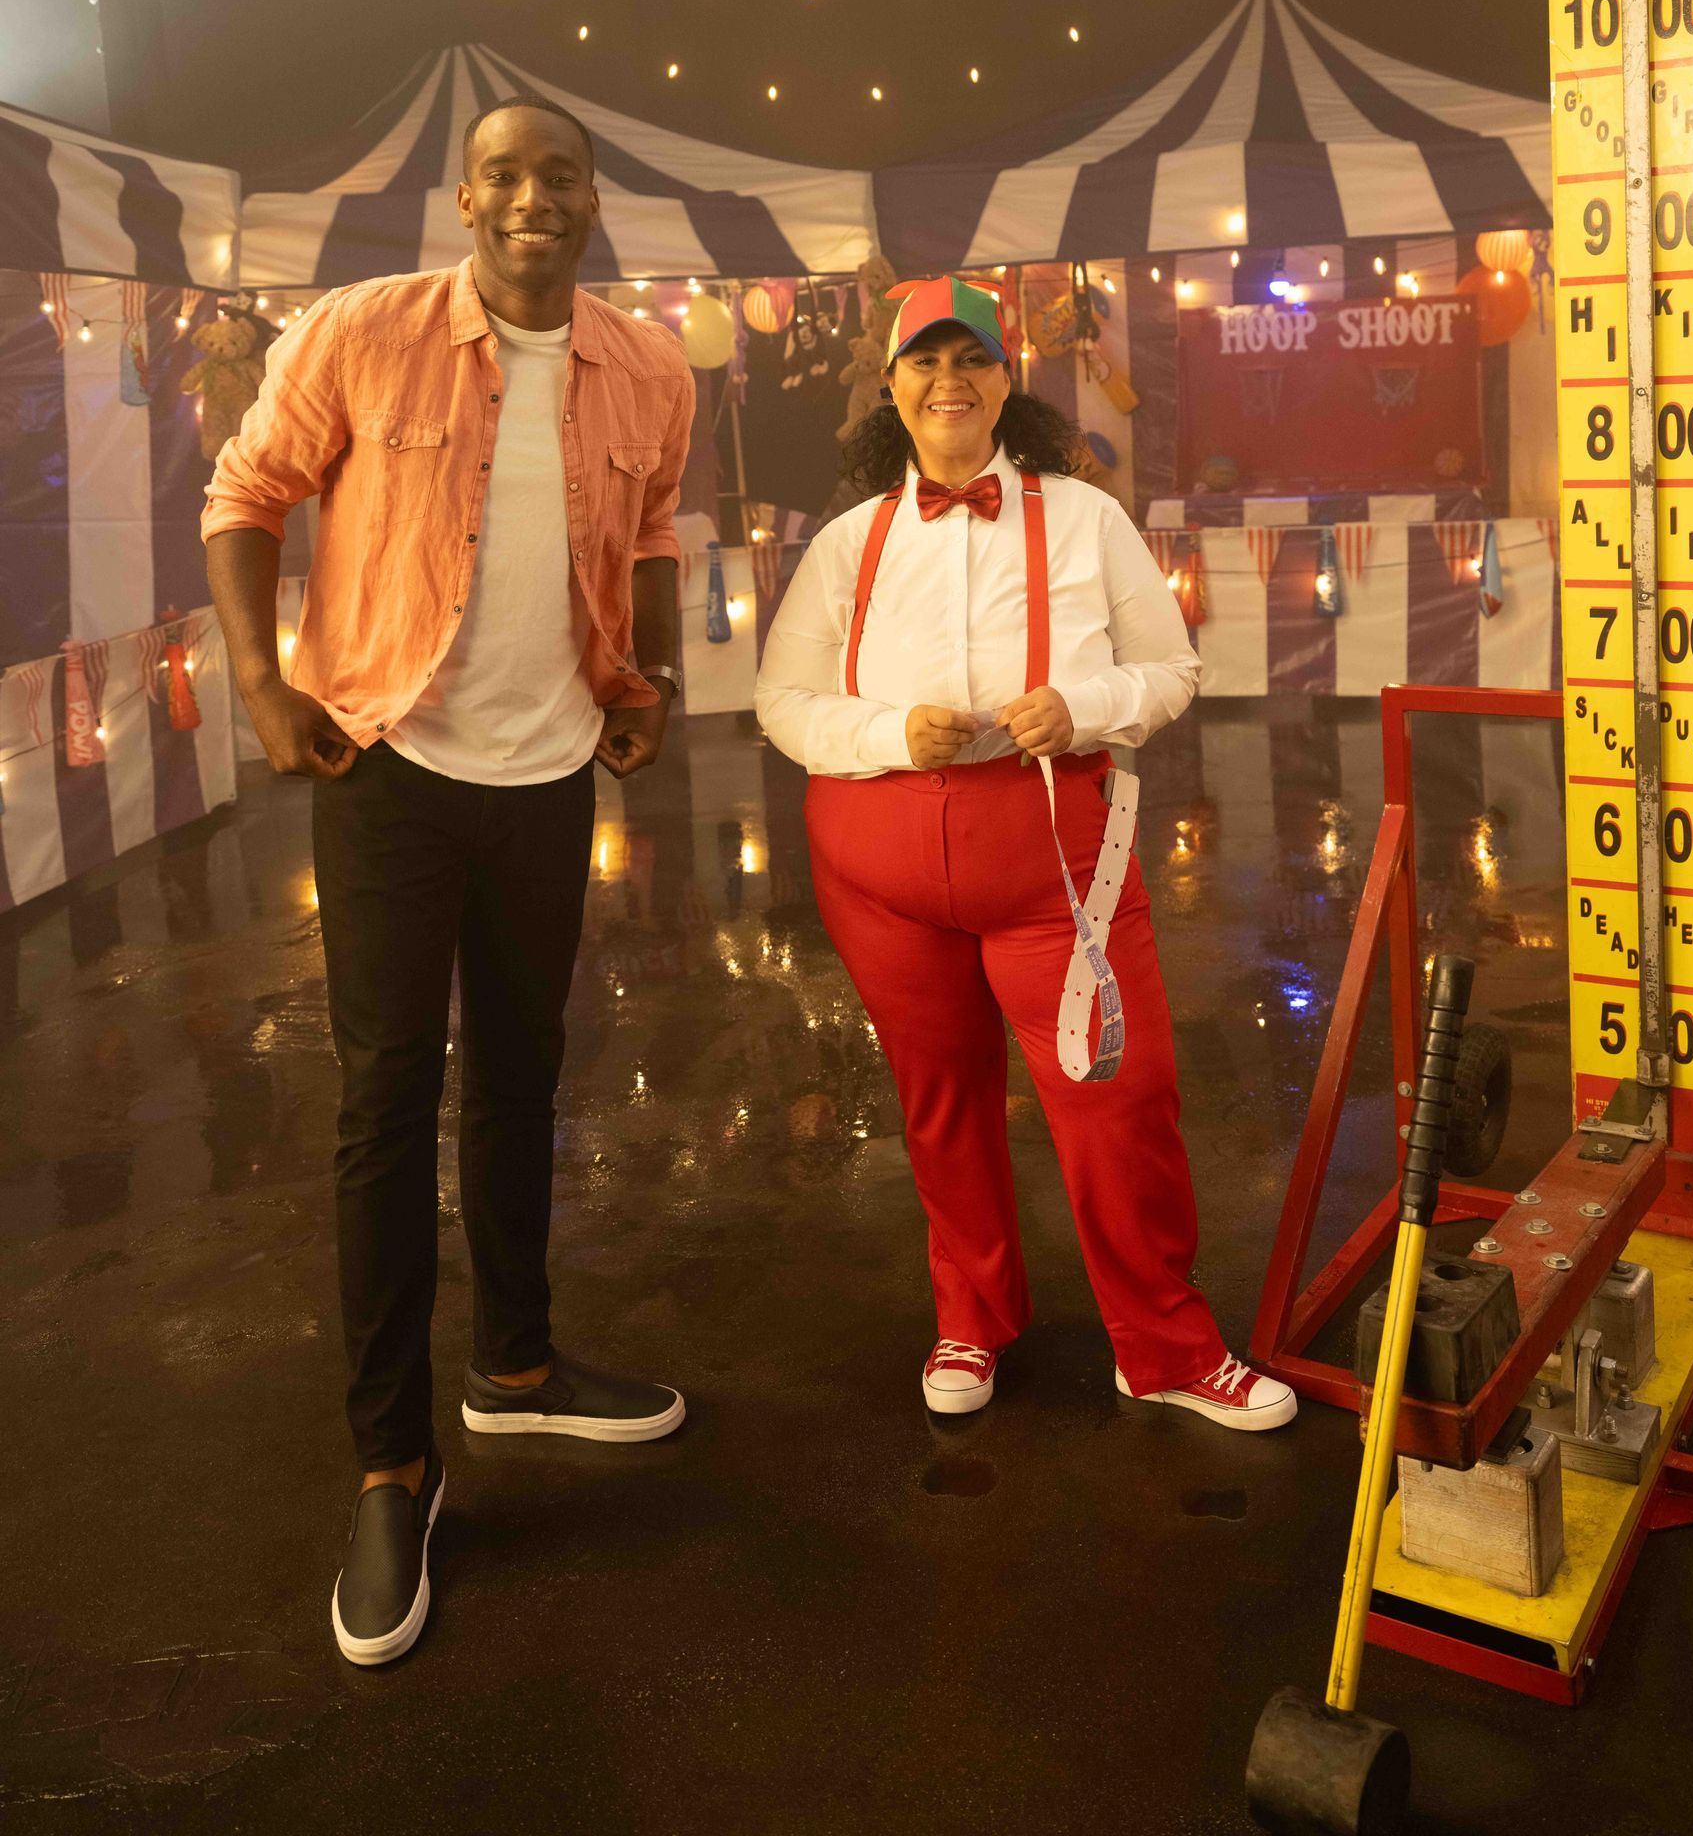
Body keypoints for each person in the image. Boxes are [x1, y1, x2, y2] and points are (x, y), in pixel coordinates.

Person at [203, 98, 695, 1667]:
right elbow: (244, 492)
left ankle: (521, 1370)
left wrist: (651, 675)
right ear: (464, 197)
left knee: (526, 1075)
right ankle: (390, 1463)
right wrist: (262, 686)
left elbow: (660, 528)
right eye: (505, 175)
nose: (532, 199)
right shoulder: (362, 332)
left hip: (549, 772)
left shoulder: (649, 366)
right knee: (384, 1095)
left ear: (593, 200)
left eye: (560, 176)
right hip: (388, 765)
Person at [756, 275, 1295, 1432]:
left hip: (1055, 866)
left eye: (974, 360)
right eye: (925, 362)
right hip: (881, 873)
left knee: (1122, 1097)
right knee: (940, 1100)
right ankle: (972, 1315)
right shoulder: (848, 543)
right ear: (890, 386)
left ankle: (1163, 1343)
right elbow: (783, 702)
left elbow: (1172, 669)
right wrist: (885, 731)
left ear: (1010, 377)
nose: (950, 381)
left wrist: (1089, 705)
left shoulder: (1088, 519)